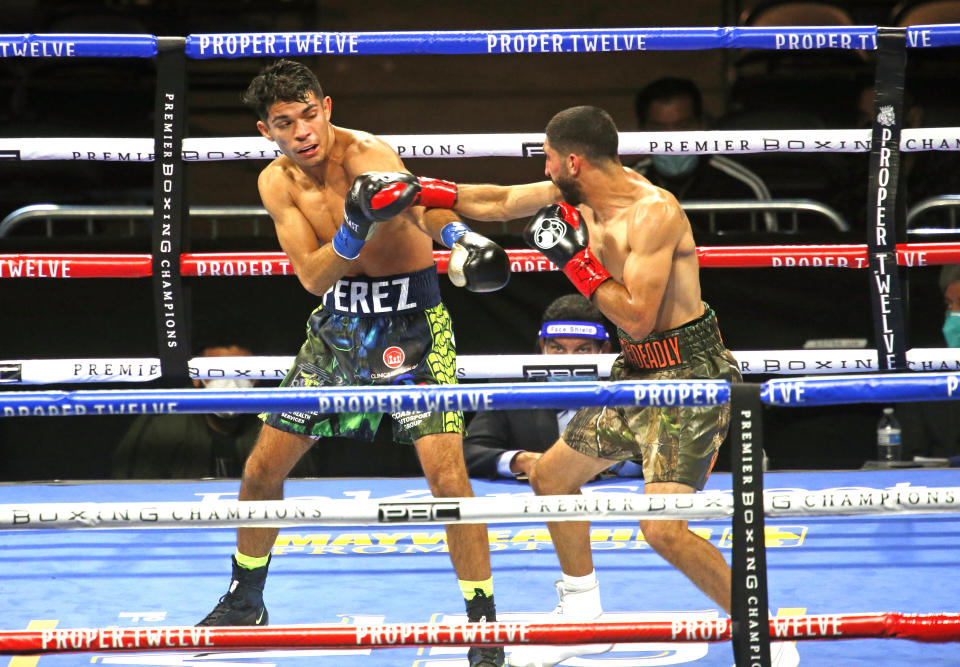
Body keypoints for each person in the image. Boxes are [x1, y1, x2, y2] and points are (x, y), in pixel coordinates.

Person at [360, 105, 796, 666]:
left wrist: (572, 258)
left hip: (688, 379)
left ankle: (763, 630)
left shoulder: (653, 214)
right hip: (636, 371)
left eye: (547, 157)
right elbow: (495, 201)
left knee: (663, 532)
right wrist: (419, 189)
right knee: (550, 474)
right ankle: (582, 613)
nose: (543, 168)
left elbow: (637, 316)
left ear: (573, 160)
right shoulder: (574, 195)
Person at [196, 59, 510, 667]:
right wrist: (353, 228)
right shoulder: (276, 183)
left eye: (309, 114)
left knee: (449, 482)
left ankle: (483, 623)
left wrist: (461, 241)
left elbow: (421, 207)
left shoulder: (369, 153)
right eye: (286, 123)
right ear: (268, 131)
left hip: (414, 325)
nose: (303, 131)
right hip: (337, 328)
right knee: (262, 470)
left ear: (328, 107)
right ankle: (246, 598)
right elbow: (314, 277)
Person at [464, 293, 625, 479]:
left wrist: (617, 461)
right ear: (543, 347)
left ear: (602, 350)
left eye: (582, 349)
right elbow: (469, 452)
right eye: (558, 349)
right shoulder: (511, 391)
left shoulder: (625, 391)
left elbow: (659, 451)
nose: (569, 362)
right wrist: (521, 461)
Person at [111, 345, 321, 479]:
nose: (230, 382)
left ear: (257, 378)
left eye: (242, 372)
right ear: (196, 378)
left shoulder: (279, 423)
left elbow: (304, 485)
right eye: (217, 372)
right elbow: (130, 490)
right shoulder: (162, 424)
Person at [629, 77, 776, 232]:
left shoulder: (742, 186)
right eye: (659, 129)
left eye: (682, 126)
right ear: (642, 130)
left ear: (701, 125)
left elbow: (771, 250)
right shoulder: (626, 185)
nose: (671, 140)